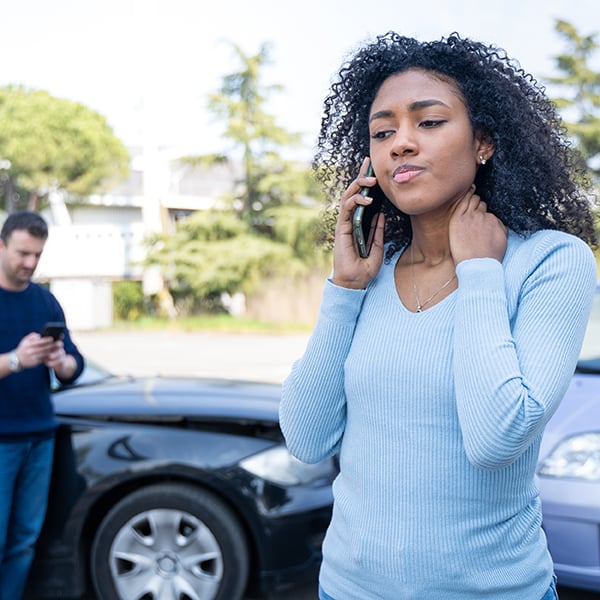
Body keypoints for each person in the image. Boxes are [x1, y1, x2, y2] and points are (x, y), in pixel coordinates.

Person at [279, 32, 598, 600]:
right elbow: (306, 437)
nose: (401, 143)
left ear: (484, 142)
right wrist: (344, 289)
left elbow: (498, 438)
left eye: (428, 122)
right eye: (383, 131)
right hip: (348, 590)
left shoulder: (549, 261)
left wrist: (479, 273)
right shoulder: (367, 277)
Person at [0, 210, 84, 600]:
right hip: (1, 441)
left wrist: (59, 362)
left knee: (24, 542)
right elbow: (16, 360)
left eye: (37, 254)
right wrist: (16, 360)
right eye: (22, 253)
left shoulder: (46, 301)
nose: (30, 263)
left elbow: (73, 364)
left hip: (40, 436)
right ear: (1, 245)